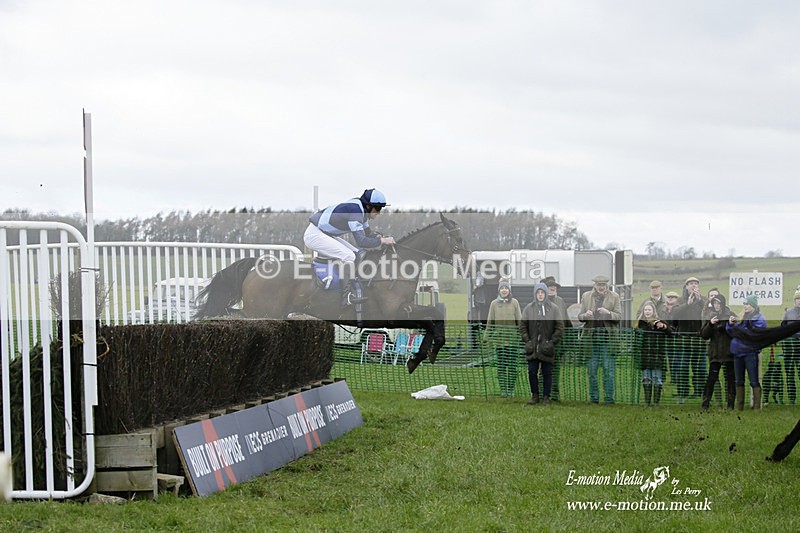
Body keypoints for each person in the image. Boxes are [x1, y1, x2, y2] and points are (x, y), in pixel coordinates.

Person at [304, 189, 396, 309]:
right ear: (368, 206)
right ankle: (346, 296)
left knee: (358, 253)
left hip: (324, 233)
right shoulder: (356, 212)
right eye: (378, 208)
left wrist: (380, 237)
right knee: (349, 256)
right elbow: (362, 241)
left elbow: (367, 234)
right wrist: (382, 241)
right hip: (315, 235)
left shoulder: (361, 211)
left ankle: (353, 285)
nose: (379, 212)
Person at [578, 274, 622, 404]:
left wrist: (608, 313)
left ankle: (609, 399)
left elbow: (619, 317)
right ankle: (594, 398)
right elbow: (580, 316)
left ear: (606, 286)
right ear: (594, 285)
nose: (601, 287)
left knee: (609, 371)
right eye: (599, 285)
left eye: (603, 285)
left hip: (608, 340)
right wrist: (585, 315)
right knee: (592, 371)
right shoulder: (586, 296)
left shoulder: (614, 297)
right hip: (591, 341)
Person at [520, 282, 564, 405]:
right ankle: (535, 396)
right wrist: (527, 341)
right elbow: (523, 326)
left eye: (542, 293)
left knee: (547, 372)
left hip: (547, 348)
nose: (540, 295)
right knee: (532, 372)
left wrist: (551, 342)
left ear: (545, 294)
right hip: (532, 347)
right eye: (538, 293)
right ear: (535, 294)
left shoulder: (554, 308)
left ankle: (546, 397)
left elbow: (559, 327)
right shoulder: (529, 308)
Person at [726, 295, 766, 411]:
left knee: (753, 380)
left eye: (748, 304)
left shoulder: (760, 318)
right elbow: (730, 331)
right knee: (739, 380)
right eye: (744, 304)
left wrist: (738, 329)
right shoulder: (741, 316)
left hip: (750, 353)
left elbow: (753, 334)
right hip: (737, 353)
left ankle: (757, 407)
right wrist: (730, 324)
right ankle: (740, 407)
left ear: (754, 305)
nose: (745, 306)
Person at [483, 279, 522, 397]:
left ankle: (511, 389)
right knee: (501, 366)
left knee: (512, 366)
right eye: (502, 288)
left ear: (509, 290)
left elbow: (519, 321)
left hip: (512, 341)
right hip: (500, 342)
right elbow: (490, 321)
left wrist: (523, 335)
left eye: (506, 288)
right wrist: (486, 335)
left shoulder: (515, 303)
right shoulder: (494, 304)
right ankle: (503, 389)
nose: (504, 290)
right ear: (499, 290)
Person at [671, 277, 707, 403]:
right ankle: (682, 393)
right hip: (683, 341)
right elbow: (673, 314)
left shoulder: (703, 300)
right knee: (682, 368)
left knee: (700, 368)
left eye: (696, 284)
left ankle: (700, 392)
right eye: (691, 284)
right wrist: (688, 305)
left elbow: (710, 312)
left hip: (699, 340)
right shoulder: (680, 300)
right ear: (686, 286)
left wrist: (700, 301)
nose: (693, 286)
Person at [699, 294, 735, 411]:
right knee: (711, 379)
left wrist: (731, 324)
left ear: (723, 304)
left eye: (718, 303)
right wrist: (710, 324)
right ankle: (705, 404)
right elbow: (704, 335)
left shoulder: (730, 315)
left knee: (730, 379)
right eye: (714, 303)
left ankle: (730, 404)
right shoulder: (710, 316)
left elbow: (736, 332)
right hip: (715, 353)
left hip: (729, 353)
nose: (716, 305)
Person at [636, 301, 673, 407]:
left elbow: (671, 332)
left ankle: (656, 403)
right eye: (646, 310)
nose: (647, 312)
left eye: (649, 310)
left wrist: (664, 327)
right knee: (646, 378)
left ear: (653, 311)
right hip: (645, 356)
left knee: (657, 378)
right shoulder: (640, 324)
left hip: (658, 355)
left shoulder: (660, 322)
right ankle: (647, 403)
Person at [543, 276, 568, 401]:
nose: (553, 290)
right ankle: (544, 393)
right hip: (543, 342)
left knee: (556, 368)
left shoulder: (561, 301)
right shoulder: (540, 302)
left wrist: (569, 340)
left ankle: (555, 393)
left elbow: (566, 322)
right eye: (550, 288)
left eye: (554, 288)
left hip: (558, 342)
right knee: (543, 369)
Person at [781, 290, 800, 404]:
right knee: (789, 373)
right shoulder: (788, 313)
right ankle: (792, 399)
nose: (799, 301)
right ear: (794, 300)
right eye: (798, 299)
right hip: (790, 345)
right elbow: (783, 328)